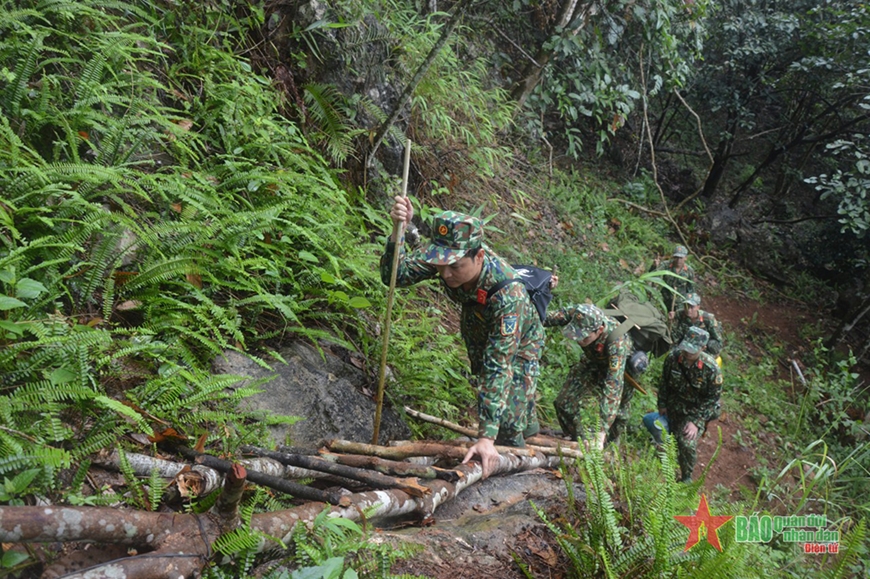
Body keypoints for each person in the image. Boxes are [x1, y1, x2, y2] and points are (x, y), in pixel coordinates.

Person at [381, 198, 544, 478]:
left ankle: (516, 467)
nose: (444, 273)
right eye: (440, 264)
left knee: (505, 418)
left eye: (454, 267)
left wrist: (486, 439)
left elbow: (499, 365)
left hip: (521, 340)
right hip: (476, 318)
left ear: (478, 257)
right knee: (484, 379)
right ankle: (524, 415)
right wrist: (399, 230)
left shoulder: (510, 297)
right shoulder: (447, 257)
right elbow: (394, 275)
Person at [543, 304, 633, 448]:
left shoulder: (617, 343)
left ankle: (609, 449)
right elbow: (549, 316)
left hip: (622, 371)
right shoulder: (580, 314)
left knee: (619, 415)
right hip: (593, 361)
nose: (579, 341)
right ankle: (580, 441)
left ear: (600, 330)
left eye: (584, 337)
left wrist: (601, 430)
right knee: (563, 403)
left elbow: (613, 386)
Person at [647, 326, 723, 483]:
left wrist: (696, 422)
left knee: (686, 443)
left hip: (695, 411)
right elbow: (664, 383)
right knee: (654, 424)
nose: (687, 352)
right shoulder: (673, 358)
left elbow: (712, 400)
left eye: (692, 350)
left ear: (703, 348)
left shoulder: (711, 369)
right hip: (674, 405)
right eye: (685, 347)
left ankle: (686, 476)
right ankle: (662, 455)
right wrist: (662, 404)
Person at [672, 292, 724, 357]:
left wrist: (710, 356)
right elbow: (673, 334)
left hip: (704, 347)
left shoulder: (708, 318)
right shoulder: (679, 314)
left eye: (692, 307)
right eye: (686, 306)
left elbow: (718, 342)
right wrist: (670, 320)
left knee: (712, 345)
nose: (688, 310)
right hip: (687, 344)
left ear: (698, 307)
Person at [657, 245, 696, 320]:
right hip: (664, 298)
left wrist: (689, 304)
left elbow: (691, 289)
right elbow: (654, 275)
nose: (678, 260)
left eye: (681, 258)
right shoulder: (665, 265)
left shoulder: (689, 271)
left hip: (680, 302)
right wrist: (654, 266)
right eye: (676, 257)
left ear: (685, 258)